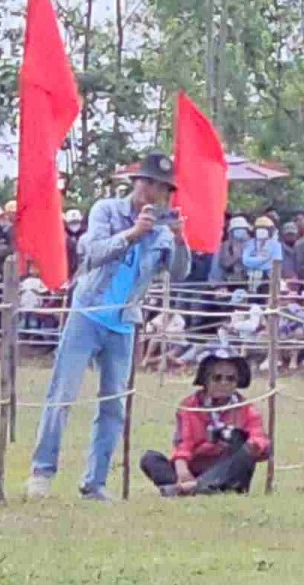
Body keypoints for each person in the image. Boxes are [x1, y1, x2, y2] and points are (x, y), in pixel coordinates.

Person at [27, 151, 189, 501]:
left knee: (114, 405)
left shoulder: (163, 231)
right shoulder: (106, 210)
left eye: (162, 188)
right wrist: (132, 233)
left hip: (124, 321)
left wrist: (179, 240)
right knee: (62, 394)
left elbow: (177, 274)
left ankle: (95, 482)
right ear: (136, 183)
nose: (153, 192)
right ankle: (42, 471)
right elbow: (92, 253)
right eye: (148, 183)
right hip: (88, 311)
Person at [140, 352, 269, 496]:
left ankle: (188, 489)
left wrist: (253, 444)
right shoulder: (189, 405)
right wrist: (182, 469)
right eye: (217, 378)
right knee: (150, 458)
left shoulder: (247, 408)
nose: (224, 383)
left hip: (227, 468)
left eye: (230, 378)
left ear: (237, 382)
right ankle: (198, 487)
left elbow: (260, 438)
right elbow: (184, 443)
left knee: (245, 449)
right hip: (194, 467)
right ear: (205, 380)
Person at [243, 215, 284, 283]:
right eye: (259, 229)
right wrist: (265, 259)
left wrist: (255, 263)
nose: (261, 231)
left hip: (270, 279)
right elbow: (246, 261)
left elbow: (275, 264)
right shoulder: (249, 243)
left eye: (264, 229)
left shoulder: (276, 245)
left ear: (270, 231)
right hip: (251, 278)